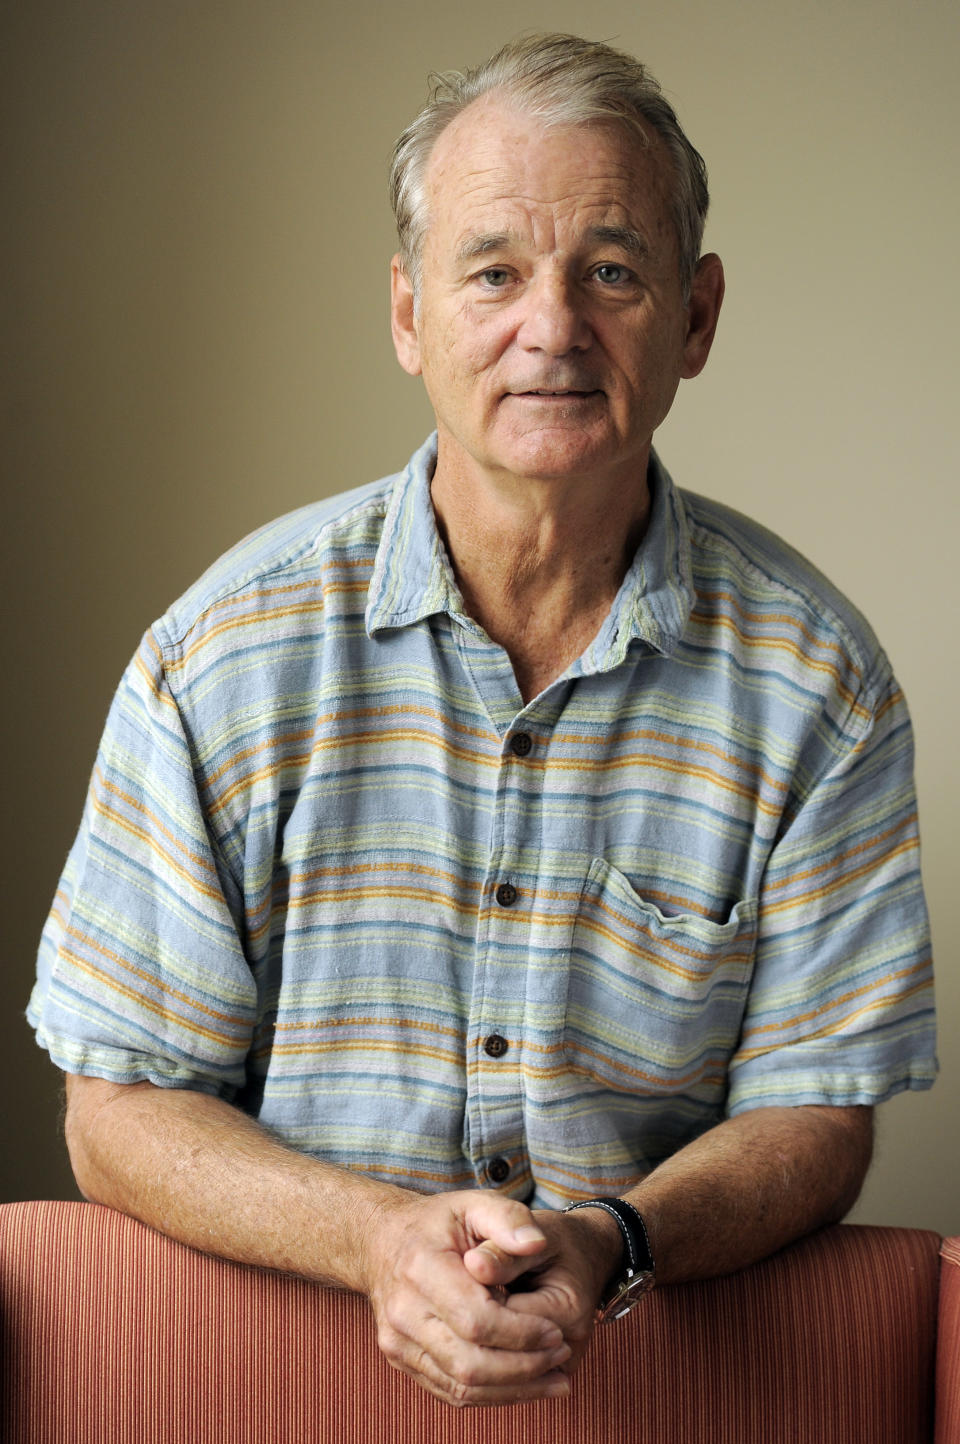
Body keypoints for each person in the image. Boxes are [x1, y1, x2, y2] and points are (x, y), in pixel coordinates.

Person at [28, 33, 935, 1408]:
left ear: (696, 317)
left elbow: (817, 1114)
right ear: (409, 316)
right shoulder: (220, 659)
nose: (554, 327)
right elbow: (117, 1112)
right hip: (274, 1387)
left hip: (653, 1380)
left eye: (612, 273)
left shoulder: (825, 688)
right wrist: (377, 1240)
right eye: (495, 270)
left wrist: (610, 1240)